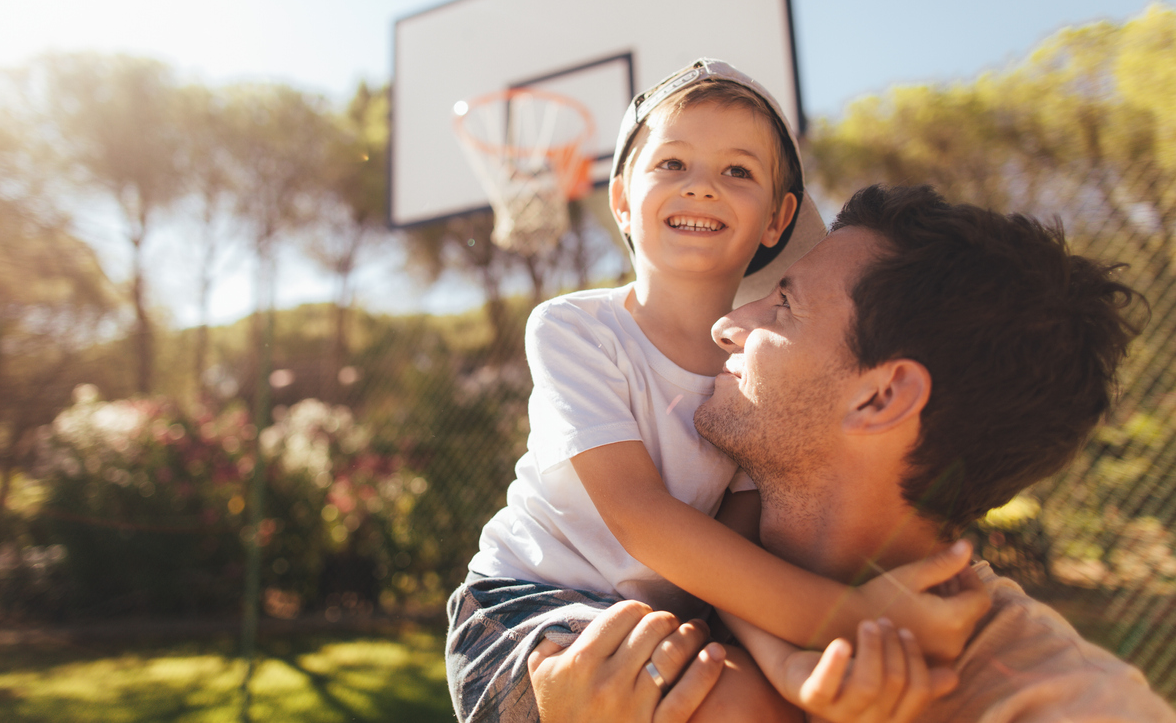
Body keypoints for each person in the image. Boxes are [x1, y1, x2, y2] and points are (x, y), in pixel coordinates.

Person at [447, 62, 990, 723]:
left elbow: (733, 553)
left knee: (762, 705)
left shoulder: (758, 377)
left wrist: (787, 661)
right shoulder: (574, 329)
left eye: (737, 172)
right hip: (529, 601)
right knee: (732, 703)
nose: (701, 187)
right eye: (672, 164)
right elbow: (639, 516)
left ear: (777, 217)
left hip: (666, 613)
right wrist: (849, 617)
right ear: (621, 200)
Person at [531, 183, 1176, 722]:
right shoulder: (696, 584)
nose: (726, 323)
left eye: (784, 305)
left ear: (882, 396)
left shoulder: (1056, 701)